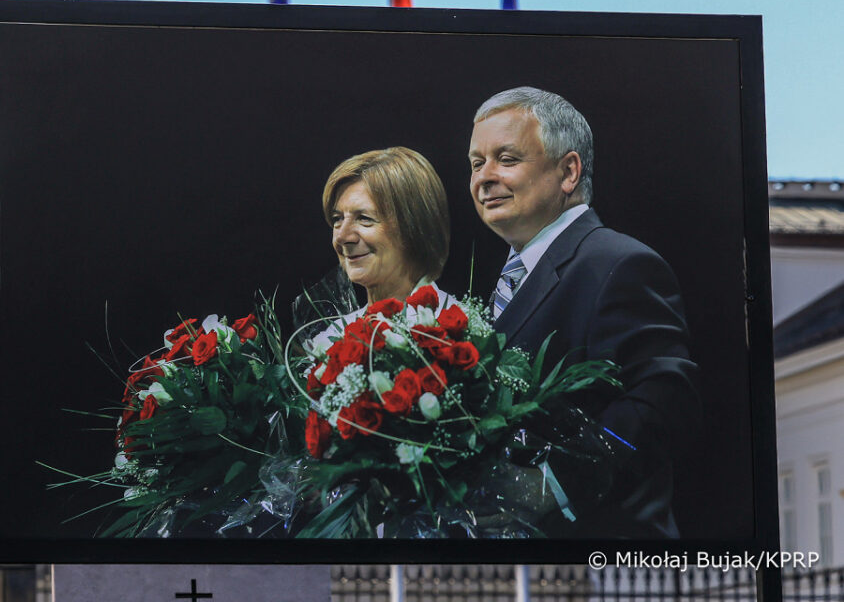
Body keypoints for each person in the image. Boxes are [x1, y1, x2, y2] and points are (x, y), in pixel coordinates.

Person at [467, 86, 698, 538]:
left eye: (506, 159)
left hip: (608, 564)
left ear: (568, 171)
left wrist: (554, 484)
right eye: (476, 164)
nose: (484, 178)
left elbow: (667, 401)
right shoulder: (505, 278)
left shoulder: (618, 263)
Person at [294, 147, 451, 334]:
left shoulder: (465, 336)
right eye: (337, 219)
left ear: (414, 225)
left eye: (364, 218)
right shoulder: (330, 340)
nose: (343, 237)